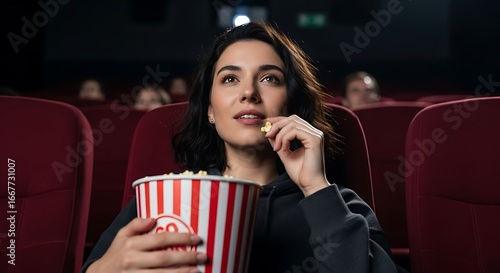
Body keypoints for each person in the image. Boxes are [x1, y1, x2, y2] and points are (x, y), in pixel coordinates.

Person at [82, 22, 405, 273]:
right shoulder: (162, 197)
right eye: (229, 79)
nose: (249, 92)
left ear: (291, 104)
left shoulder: (340, 205)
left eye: (269, 79)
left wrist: (315, 187)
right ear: (209, 109)